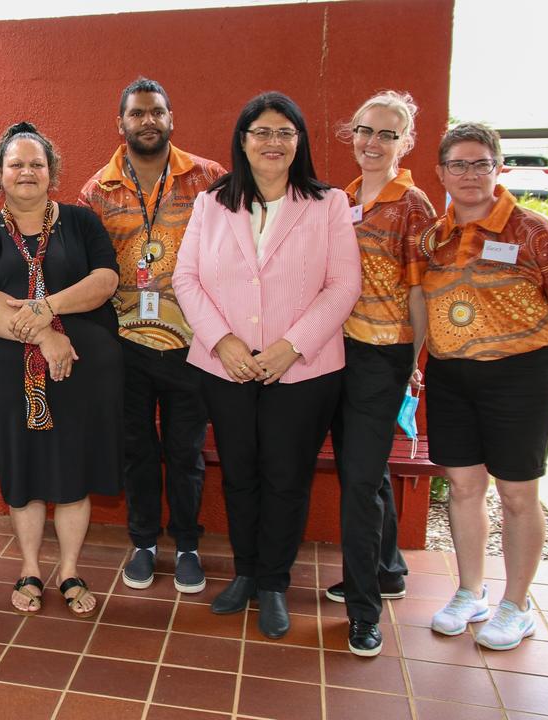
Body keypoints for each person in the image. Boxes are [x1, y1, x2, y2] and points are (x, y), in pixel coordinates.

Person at [172, 91, 361, 640]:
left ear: (299, 141)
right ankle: (247, 573)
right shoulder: (213, 203)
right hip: (224, 366)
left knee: (286, 476)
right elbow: (186, 278)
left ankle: (275, 582)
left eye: (284, 132)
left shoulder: (326, 204)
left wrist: (291, 345)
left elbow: (342, 284)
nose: (272, 143)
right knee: (239, 473)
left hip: (302, 369)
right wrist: (222, 340)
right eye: (261, 132)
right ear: (243, 141)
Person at [421, 122, 548, 651]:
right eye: (458, 165)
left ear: (498, 168)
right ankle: (471, 591)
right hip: (451, 377)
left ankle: (516, 605)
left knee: (517, 494)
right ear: (441, 172)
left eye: (480, 164)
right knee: (466, 489)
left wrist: (528, 363)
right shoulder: (434, 235)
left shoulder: (536, 231)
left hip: (522, 378)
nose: (469, 175)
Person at [0, 122, 121, 617]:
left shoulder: (81, 222)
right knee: (22, 470)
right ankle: (29, 567)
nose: (26, 171)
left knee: (73, 468)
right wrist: (46, 334)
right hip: (5, 379)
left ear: (51, 172)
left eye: (36, 163)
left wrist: (47, 307)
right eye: (16, 164)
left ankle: (69, 569)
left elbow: (105, 280)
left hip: (81, 376)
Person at [77, 77, 226, 594]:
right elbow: (89, 269)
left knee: (185, 451)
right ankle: (142, 542)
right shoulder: (97, 191)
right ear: (120, 123)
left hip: (193, 341)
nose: (148, 121)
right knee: (136, 448)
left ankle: (186, 544)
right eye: (137, 113)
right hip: (125, 343)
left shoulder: (210, 178)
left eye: (156, 112)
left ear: (170, 119)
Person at [327, 91, 437, 657]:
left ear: (406, 143)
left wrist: (415, 363)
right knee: (362, 472)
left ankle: (363, 609)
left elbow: (422, 292)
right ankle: (388, 569)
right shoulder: (341, 197)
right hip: (334, 351)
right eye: (365, 130)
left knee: (361, 480)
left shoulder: (413, 205)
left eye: (387, 134)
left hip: (382, 353)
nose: (372, 142)